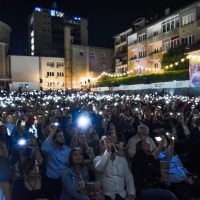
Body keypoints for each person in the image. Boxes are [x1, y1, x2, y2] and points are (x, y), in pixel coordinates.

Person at [41, 126, 71, 199]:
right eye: (60, 136)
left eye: (63, 136)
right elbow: (43, 148)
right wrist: (52, 133)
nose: (62, 137)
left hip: (64, 178)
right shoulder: (50, 149)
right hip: (51, 178)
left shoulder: (68, 150)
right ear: (54, 140)